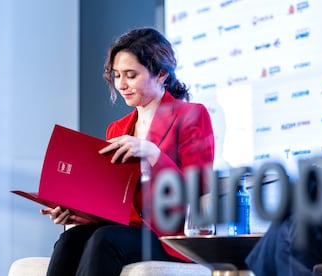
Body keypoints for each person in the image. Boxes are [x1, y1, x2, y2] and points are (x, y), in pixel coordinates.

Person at [40, 27, 215, 276]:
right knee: (71, 240)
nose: (121, 85)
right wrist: (79, 213)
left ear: (162, 75)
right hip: (125, 228)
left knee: (106, 239)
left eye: (131, 75)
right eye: (117, 75)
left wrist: (153, 154)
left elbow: (199, 187)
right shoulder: (117, 128)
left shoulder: (191, 115)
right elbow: (111, 198)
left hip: (169, 235)